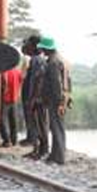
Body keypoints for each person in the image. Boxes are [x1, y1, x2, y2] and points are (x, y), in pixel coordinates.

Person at [38, 36, 71, 165]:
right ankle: (55, 154)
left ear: (47, 49)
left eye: (43, 49)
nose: (42, 51)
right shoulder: (60, 60)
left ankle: (59, 157)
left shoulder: (53, 63)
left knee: (57, 127)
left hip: (55, 100)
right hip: (59, 99)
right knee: (57, 126)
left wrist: (59, 102)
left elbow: (56, 84)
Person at [23, 36, 49, 159]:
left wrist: (33, 98)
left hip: (37, 99)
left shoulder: (37, 60)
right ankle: (38, 149)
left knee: (39, 124)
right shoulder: (38, 59)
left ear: (34, 46)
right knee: (38, 124)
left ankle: (41, 150)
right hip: (37, 98)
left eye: (28, 43)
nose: (25, 46)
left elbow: (38, 81)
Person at [18, 42, 38, 147]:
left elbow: (24, 76)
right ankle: (31, 138)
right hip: (28, 91)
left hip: (29, 92)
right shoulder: (31, 59)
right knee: (29, 116)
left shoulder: (29, 59)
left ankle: (32, 139)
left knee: (30, 116)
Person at [0, 61, 22, 147]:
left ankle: (7, 140)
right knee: (13, 120)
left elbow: (4, 82)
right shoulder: (17, 71)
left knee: (2, 119)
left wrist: (3, 92)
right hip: (14, 98)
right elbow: (20, 82)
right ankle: (14, 140)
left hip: (5, 99)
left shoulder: (4, 71)